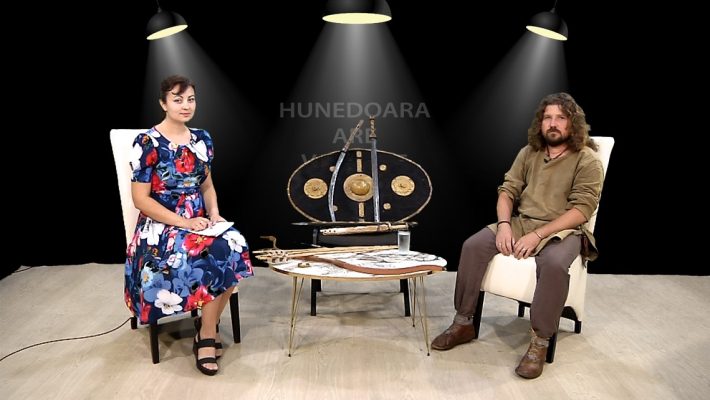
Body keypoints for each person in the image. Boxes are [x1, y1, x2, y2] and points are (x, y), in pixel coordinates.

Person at [431, 92, 604, 379]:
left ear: (573, 124)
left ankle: (539, 343)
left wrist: (538, 235)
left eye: (561, 118)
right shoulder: (529, 152)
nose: (553, 123)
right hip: (523, 222)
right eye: (547, 117)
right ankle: (463, 322)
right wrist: (504, 225)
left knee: (554, 263)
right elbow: (507, 191)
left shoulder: (587, 159)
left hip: (565, 229)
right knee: (473, 245)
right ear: (540, 123)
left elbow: (582, 210)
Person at [124, 75, 253, 376]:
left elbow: (206, 185)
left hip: (199, 220)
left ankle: (206, 327)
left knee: (234, 244)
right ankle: (207, 336)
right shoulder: (147, 142)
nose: (185, 105)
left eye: (190, 99)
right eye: (177, 99)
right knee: (210, 253)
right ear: (163, 103)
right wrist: (185, 222)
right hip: (161, 226)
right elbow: (141, 200)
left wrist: (215, 213)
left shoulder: (202, 138)